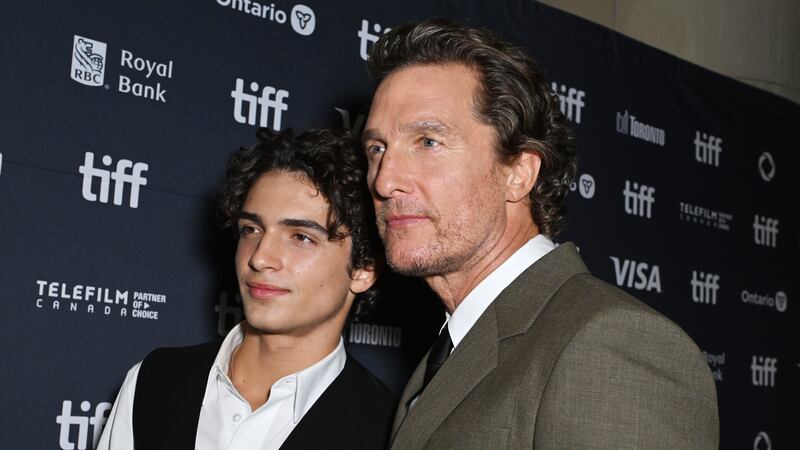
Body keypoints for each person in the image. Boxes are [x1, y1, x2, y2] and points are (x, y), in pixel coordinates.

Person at [362, 18, 719, 448]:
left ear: (519, 173)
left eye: (428, 142)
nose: (384, 181)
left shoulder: (610, 344)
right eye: (377, 148)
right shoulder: (447, 351)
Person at [97, 128, 395, 450]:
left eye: (300, 237)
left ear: (364, 269)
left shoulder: (389, 433)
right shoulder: (154, 382)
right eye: (251, 229)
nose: (260, 257)